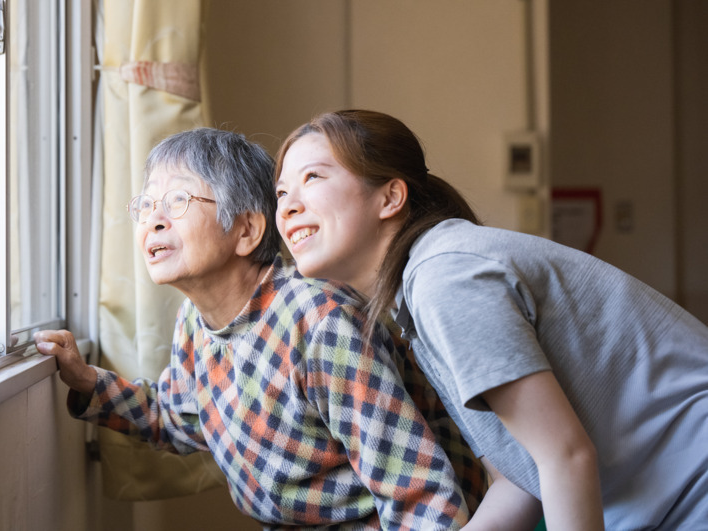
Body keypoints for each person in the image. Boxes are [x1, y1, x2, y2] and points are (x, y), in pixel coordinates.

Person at [273, 109, 708, 531]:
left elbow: (566, 457)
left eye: (312, 177)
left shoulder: (445, 279)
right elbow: (519, 483)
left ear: (390, 197)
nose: (289, 206)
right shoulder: (417, 297)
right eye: (280, 192)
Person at [35, 127, 486, 530]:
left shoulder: (320, 322)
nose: (154, 218)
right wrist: (88, 383)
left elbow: (419, 497)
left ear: (247, 230)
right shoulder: (195, 322)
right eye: (147, 203)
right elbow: (176, 419)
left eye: (178, 201)